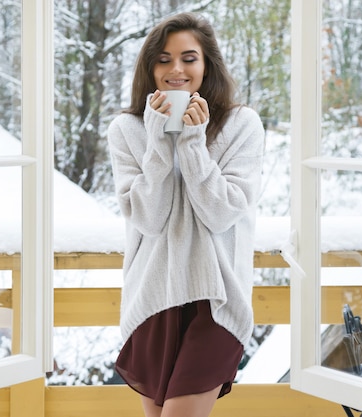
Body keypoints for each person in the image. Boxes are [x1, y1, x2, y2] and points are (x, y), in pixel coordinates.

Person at [107, 12, 265, 417]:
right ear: (149, 67)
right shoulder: (127, 129)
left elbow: (220, 213)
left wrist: (193, 143)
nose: (175, 69)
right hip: (152, 295)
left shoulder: (241, 124)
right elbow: (148, 218)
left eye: (188, 58)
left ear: (207, 64)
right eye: (163, 59)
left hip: (215, 297)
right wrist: (160, 140)